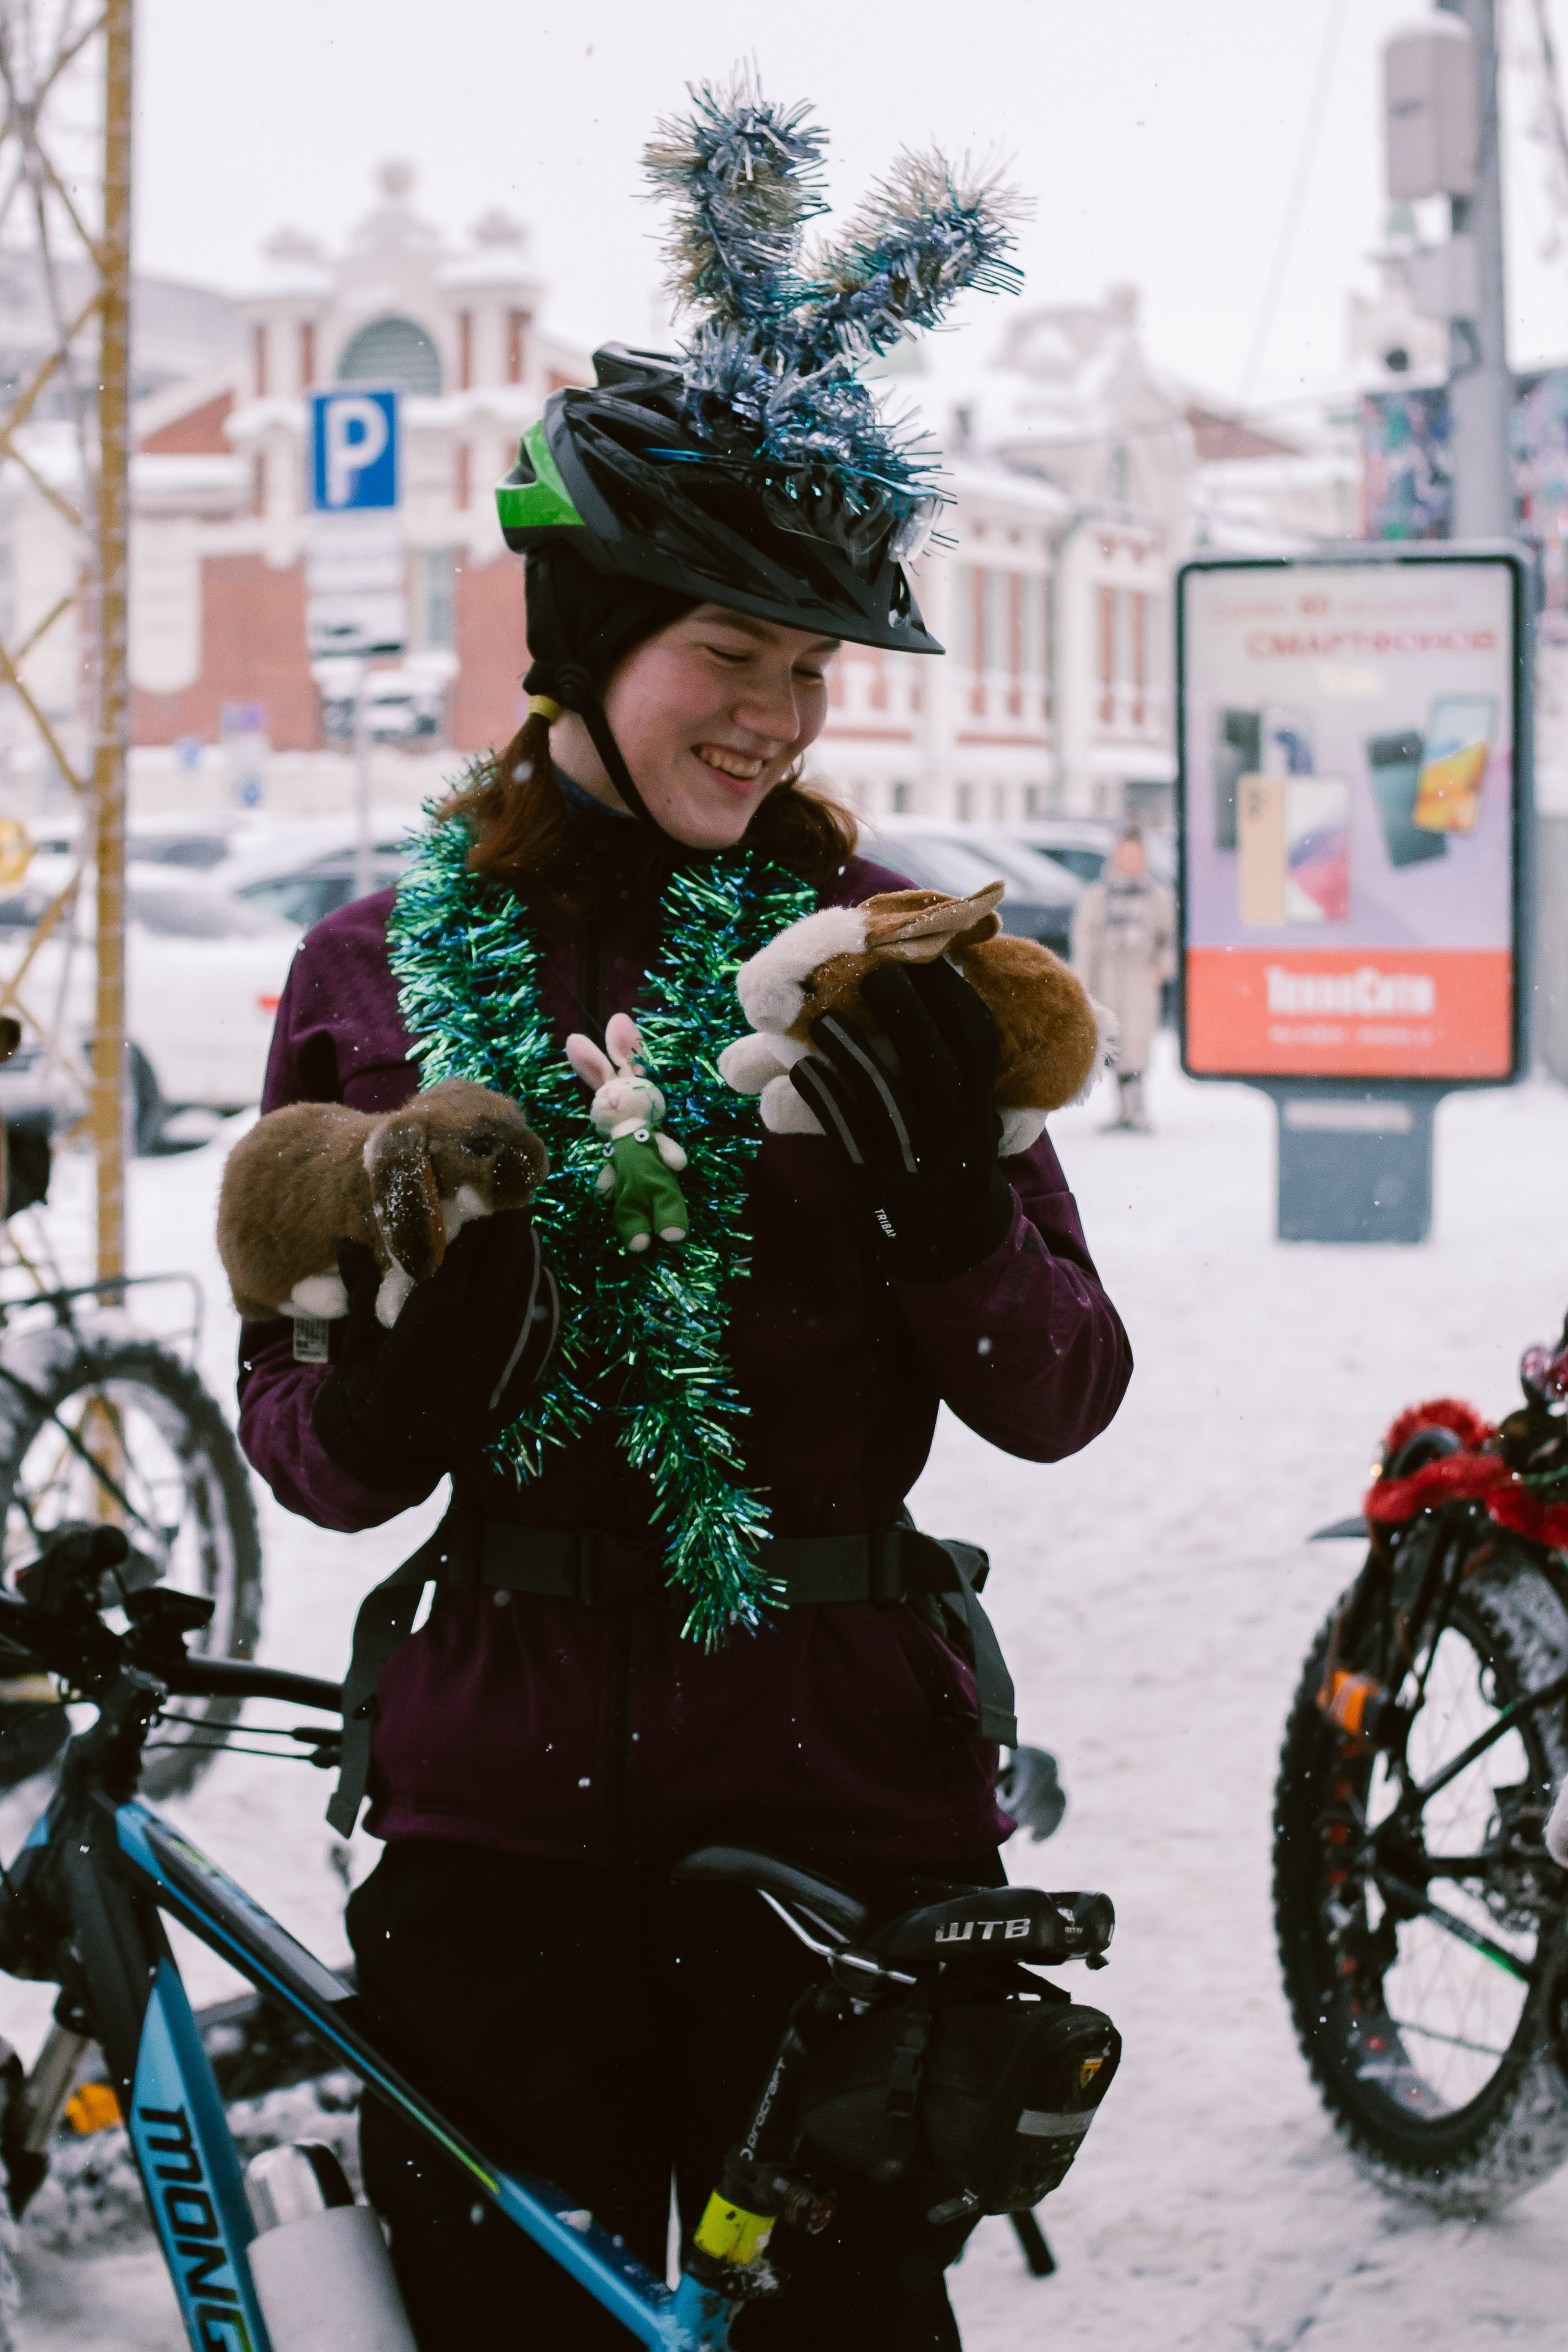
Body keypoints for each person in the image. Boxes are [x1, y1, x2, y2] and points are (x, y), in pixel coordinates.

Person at [236, 81, 1131, 2351]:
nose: (774, 717)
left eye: (809, 672)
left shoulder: (895, 953)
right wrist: (411, 1361)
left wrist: (949, 1219)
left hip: (835, 1809)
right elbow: (310, 1454)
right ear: (590, 638)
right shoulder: (372, 970)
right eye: (726, 654)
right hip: (490, 1830)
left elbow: (1058, 1393)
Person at [1071, 825, 1176, 1133]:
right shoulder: (1099, 895)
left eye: (1136, 855)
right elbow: (1086, 941)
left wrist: (1161, 968)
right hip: (1108, 979)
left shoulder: (1158, 896)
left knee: (1138, 1044)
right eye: (1125, 854)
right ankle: (1123, 1109)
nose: (1131, 861)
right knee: (1114, 1045)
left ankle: (1137, 1108)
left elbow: (1169, 939)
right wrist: (1082, 981)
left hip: (1140, 979)